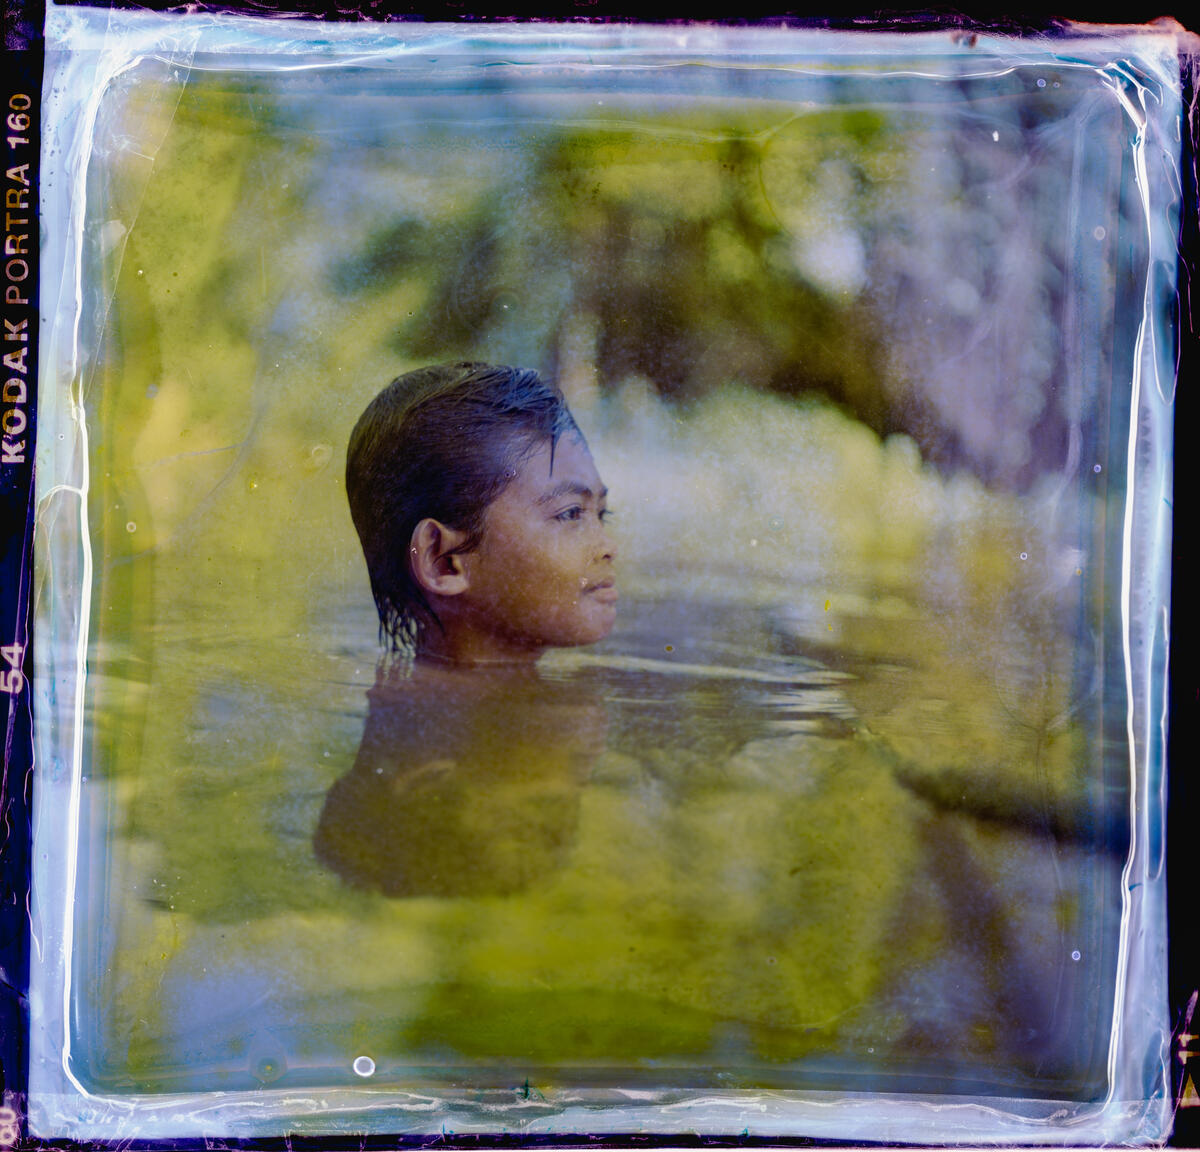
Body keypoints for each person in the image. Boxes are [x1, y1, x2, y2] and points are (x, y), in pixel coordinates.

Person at [346, 362, 618, 666]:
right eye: (570, 514)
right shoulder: (446, 710)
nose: (609, 548)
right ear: (443, 562)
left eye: (602, 515)